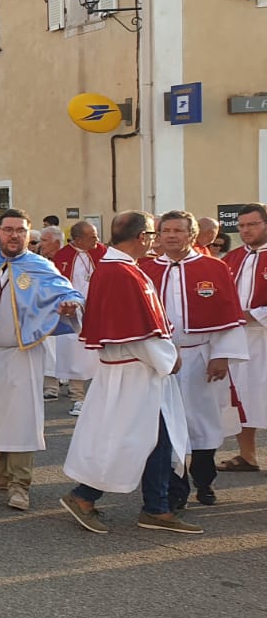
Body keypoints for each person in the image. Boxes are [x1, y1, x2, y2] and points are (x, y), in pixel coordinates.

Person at [61, 211, 199, 534]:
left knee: (155, 438)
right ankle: (85, 496)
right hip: (135, 373)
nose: (153, 240)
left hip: (131, 371)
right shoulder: (122, 273)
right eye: (152, 234)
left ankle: (157, 507)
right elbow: (139, 332)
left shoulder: (114, 268)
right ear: (142, 237)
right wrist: (169, 358)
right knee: (128, 440)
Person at [0, 209, 82, 512]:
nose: (14, 235)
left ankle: (20, 484)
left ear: (29, 233)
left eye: (20, 230)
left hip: (21, 353)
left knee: (21, 419)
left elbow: (70, 294)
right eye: (8, 230)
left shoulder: (40, 267)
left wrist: (70, 306)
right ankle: (0, 474)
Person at [140, 211, 247, 505]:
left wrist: (223, 355)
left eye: (179, 230)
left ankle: (204, 479)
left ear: (192, 234)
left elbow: (229, 314)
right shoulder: (145, 269)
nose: (172, 235)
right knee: (166, 425)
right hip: (161, 359)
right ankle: (175, 489)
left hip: (201, 356)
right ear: (158, 236)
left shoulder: (214, 268)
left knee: (203, 424)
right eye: (166, 231)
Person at [220, 202, 267, 472]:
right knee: (242, 396)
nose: (246, 230)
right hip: (239, 340)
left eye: (253, 224)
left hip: (263, 335)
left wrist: (253, 315)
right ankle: (247, 455)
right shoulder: (232, 258)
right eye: (241, 226)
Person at [50, 221, 105, 412]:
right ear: (79, 240)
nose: (97, 240)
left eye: (96, 235)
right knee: (75, 354)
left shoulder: (102, 252)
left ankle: (98, 395)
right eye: (92, 237)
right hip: (73, 313)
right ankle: (77, 396)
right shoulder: (63, 256)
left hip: (97, 310)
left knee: (98, 354)